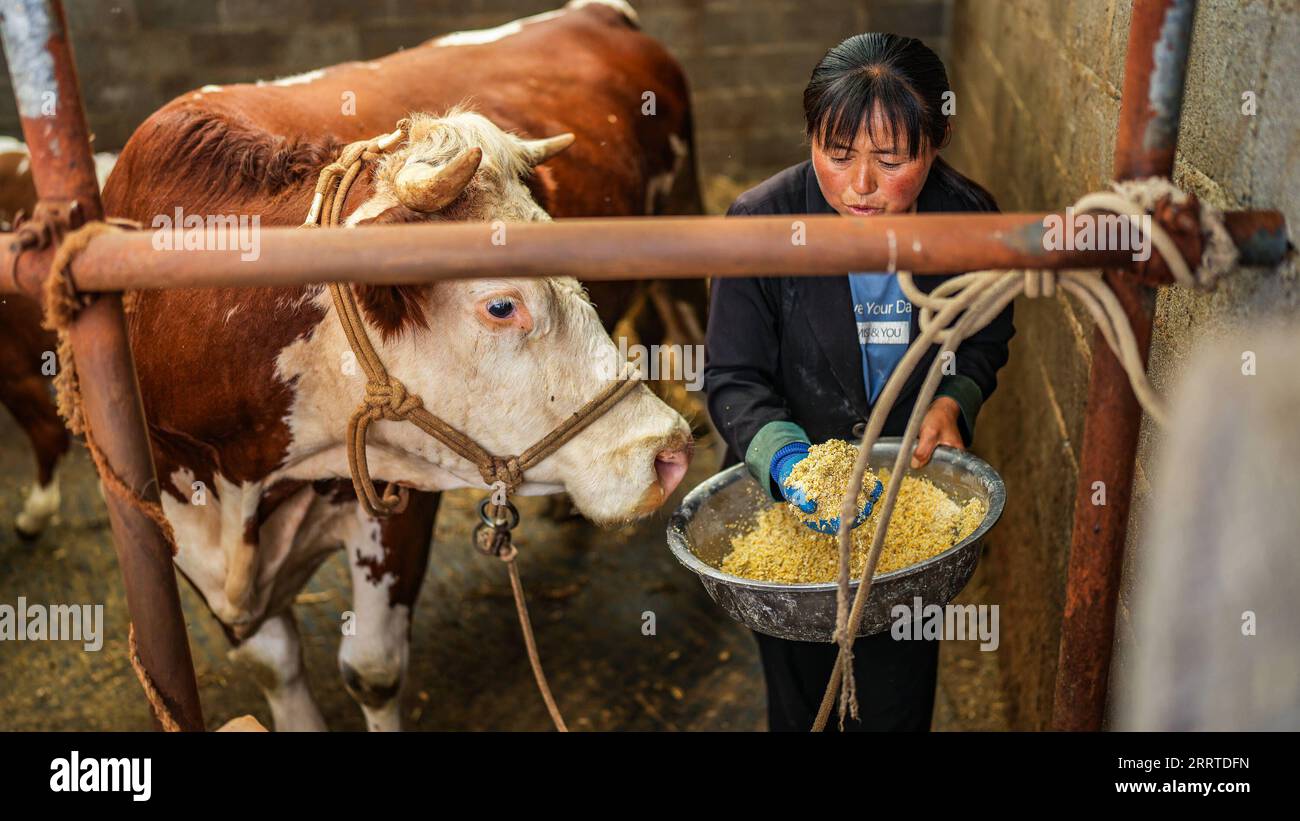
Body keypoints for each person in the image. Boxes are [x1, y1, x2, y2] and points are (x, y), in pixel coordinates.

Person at [703, 32, 1015, 732]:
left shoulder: (967, 218)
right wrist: (790, 462)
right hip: (788, 511)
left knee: (897, 698)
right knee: (801, 701)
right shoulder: (760, 222)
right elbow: (732, 375)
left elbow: (986, 334)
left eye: (891, 158)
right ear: (812, 135)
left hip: (911, 501)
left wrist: (951, 398)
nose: (860, 185)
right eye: (837, 154)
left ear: (938, 140)